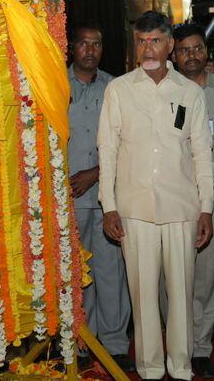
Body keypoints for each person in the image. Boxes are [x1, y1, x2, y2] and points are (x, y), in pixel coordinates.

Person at [98, 11, 214, 381]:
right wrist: (110, 206)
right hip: (133, 209)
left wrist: (207, 209)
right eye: (141, 41)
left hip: (182, 208)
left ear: (169, 46)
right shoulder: (118, 90)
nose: (148, 48)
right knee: (143, 296)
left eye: (155, 41)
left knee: (180, 294)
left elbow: (202, 155)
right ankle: (149, 370)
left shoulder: (190, 92)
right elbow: (107, 151)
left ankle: (181, 369)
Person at [170, 23, 214, 378]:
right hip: (172, 194)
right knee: (173, 277)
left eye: (198, 48)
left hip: (209, 196)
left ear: (207, 52)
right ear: (174, 53)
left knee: (207, 277)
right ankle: (177, 346)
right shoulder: (164, 91)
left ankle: (200, 349)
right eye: (184, 49)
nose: (192, 55)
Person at [67, 23, 135, 371]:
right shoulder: (55, 85)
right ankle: (79, 341)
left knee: (111, 273)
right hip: (70, 198)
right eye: (84, 44)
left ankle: (114, 344)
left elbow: (127, 143)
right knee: (77, 273)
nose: (90, 50)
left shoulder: (117, 87)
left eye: (96, 44)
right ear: (72, 46)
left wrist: (94, 174)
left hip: (109, 196)